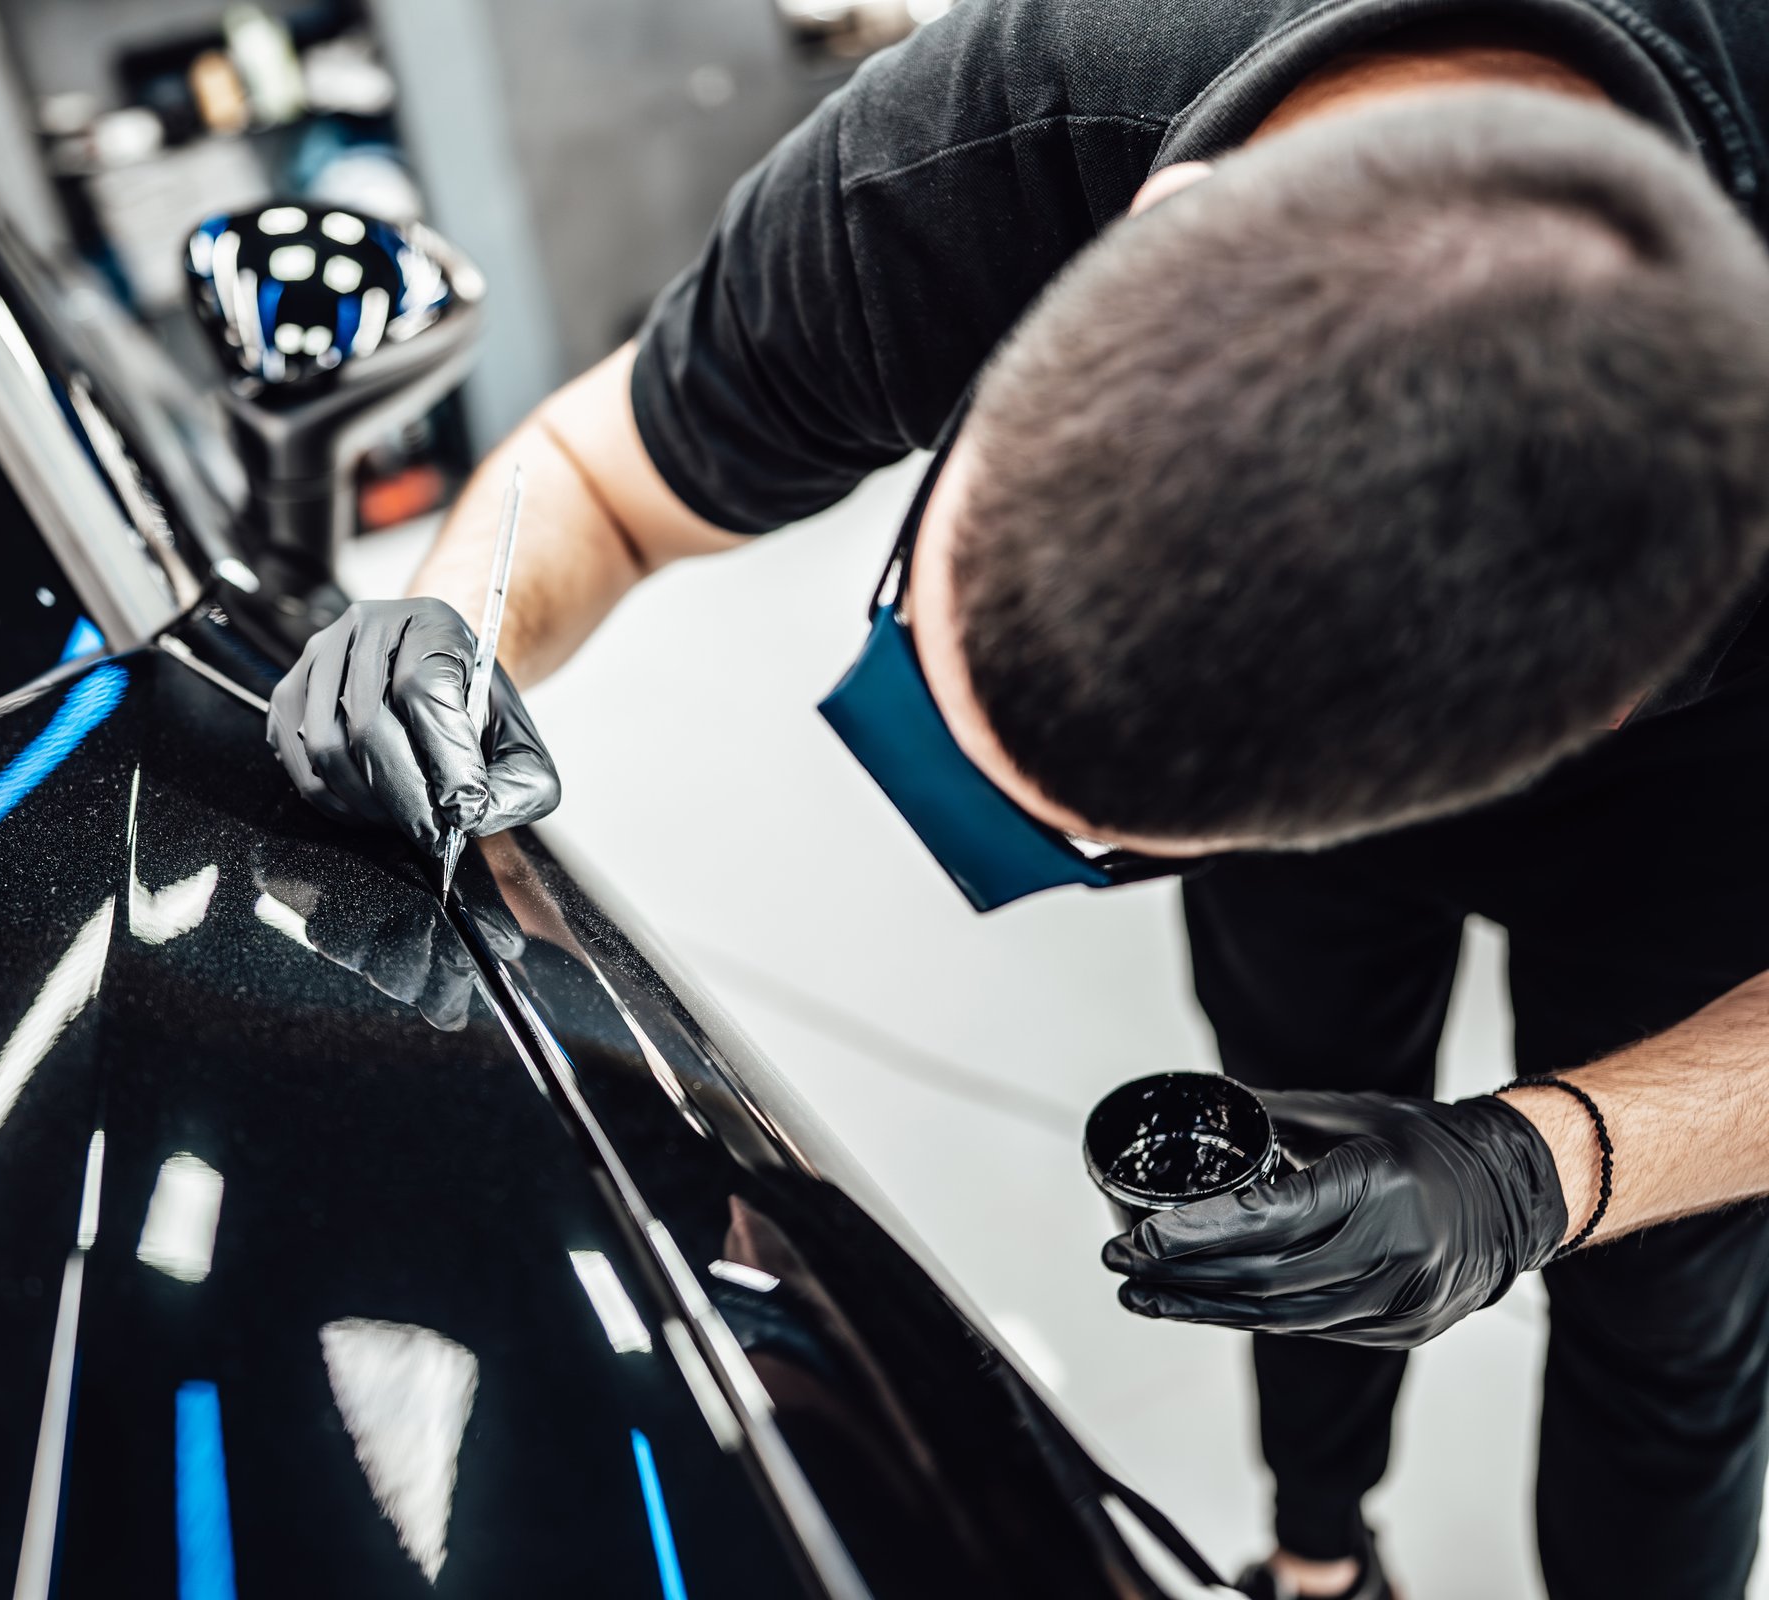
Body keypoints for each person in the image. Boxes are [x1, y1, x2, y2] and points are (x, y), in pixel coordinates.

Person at [263, 5, 1769, 1597]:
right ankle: (1320, 1562)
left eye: (1108, 847)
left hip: (1713, 816)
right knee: (1284, 1161)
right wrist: (451, 627)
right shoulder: (995, 140)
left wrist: (1553, 1167)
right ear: (1144, 230)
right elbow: (606, 472)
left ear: (1605, 699)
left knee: (1666, 1319)